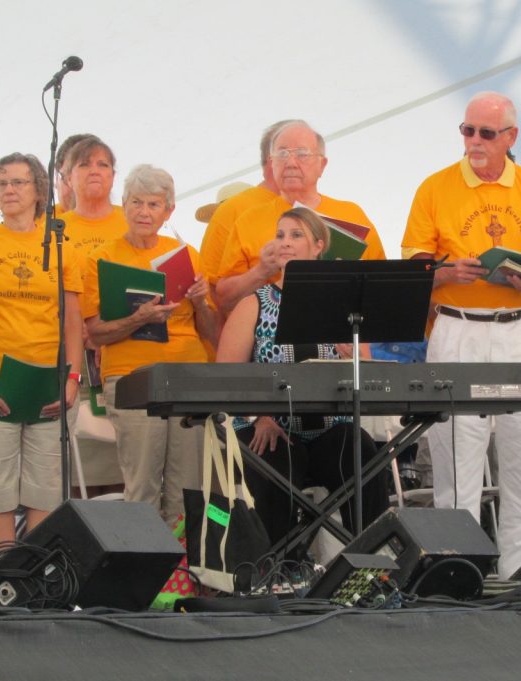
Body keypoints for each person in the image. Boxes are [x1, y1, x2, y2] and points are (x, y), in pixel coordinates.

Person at [401, 91, 521, 578]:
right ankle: (455, 574)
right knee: (457, 465)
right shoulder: (434, 188)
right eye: (467, 130)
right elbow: (415, 265)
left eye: (485, 133)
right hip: (457, 328)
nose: (474, 141)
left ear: (511, 137)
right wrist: (443, 272)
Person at [216, 207, 387, 547]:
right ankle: (274, 568)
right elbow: (227, 377)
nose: (285, 243)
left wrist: (350, 353)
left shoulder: (342, 306)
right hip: (268, 425)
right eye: (279, 235)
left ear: (319, 246)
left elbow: (368, 373)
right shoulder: (255, 304)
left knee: (363, 453)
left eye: (296, 235)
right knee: (273, 459)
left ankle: (369, 560)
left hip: (327, 426)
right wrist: (259, 416)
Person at [0, 152, 84, 554]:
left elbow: (73, 322)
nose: (8, 189)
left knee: (45, 489)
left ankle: (30, 574)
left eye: (18, 182)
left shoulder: (62, 246)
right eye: (1, 183)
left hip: (47, 383)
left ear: (39, 190)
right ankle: (4, 576)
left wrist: (72, 381)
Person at [83, 165, 220, 524]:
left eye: (154, 204)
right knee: (142, 481)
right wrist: (139, 319)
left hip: (187, 374)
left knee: (187, 485)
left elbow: (210, 331)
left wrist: (202, 301)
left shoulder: (187, 255)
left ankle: (182, 576)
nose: (144, 212)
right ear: (123, 205)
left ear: (168, 211)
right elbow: (94, 333)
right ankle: (144, 572)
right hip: (132, 376)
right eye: (136, 202)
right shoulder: (102, 258)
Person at [214, 120, 385, 314]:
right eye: (282, 154)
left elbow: (383, 286)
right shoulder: (248, 220)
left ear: (322, 164)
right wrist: (261, 271)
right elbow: (223, 300)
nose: (291, 163)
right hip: (272, 332)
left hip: (341, 331)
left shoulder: (352, 214)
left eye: (302, 154)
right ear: (272, 163)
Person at [59, 136, 128, 496]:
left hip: (120, 352)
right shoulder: (54, 227)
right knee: (78, 458)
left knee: (124, 456)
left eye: (103, 164)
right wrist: (84, 331)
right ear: (67, 177)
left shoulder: (130, 221)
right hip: (74, 357)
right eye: (84, 165)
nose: (94, 171)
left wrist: (107, 332)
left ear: (115, 176)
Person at [198, 119, 292, 301]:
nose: (297, 161)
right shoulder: (231, 210)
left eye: (306, 153)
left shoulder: (315, 209)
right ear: (270, 158)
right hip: (252, 324)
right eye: (289, 152)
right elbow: (211, 289)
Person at [54, 133, 97, 215]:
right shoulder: (41, 224)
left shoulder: (125, 222)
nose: (77, 188)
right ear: (55, 179)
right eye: (69, 178)